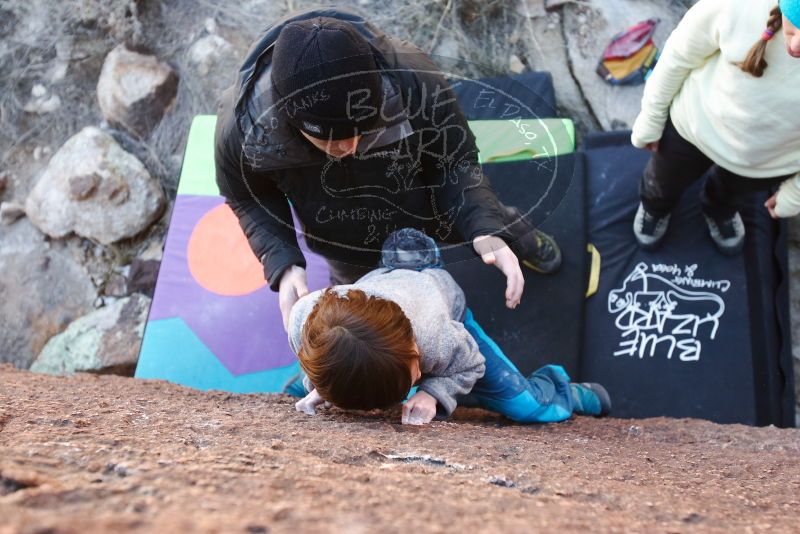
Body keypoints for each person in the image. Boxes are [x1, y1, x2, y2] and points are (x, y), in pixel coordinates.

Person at [214, 8, 562, 330]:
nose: (348, 149)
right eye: (329, 140)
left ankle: (524, 242)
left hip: (428, 204)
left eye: (360, 131)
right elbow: (247, 196)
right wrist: (283, 262)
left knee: (494, 223)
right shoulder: (242, 127)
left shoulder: (413, 77)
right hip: (340, 238)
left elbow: (455, 161)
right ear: (290, 117)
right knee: (360, 306)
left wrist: (484, 227)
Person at [286, 228, 610, 425]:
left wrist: (432, 393)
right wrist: (324, 386)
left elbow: (471, 365)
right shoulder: (304, 319)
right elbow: (320, 355)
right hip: (379, 296)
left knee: (525, 407)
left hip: (441, 302)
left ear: (417, 352)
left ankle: (564, 393)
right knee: (323, 377)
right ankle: (319, 384)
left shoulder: (436, 335)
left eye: (414, 375)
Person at [631, 0, 800, 255]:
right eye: (797, 20)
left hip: (767, 162)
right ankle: (655, 207)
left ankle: (719, 210)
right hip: (692, 127)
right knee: (661, 182)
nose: (797, 44)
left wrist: (796, 192)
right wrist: (651, 116)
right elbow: (677, 57)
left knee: (729, 197)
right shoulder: (737, 5)